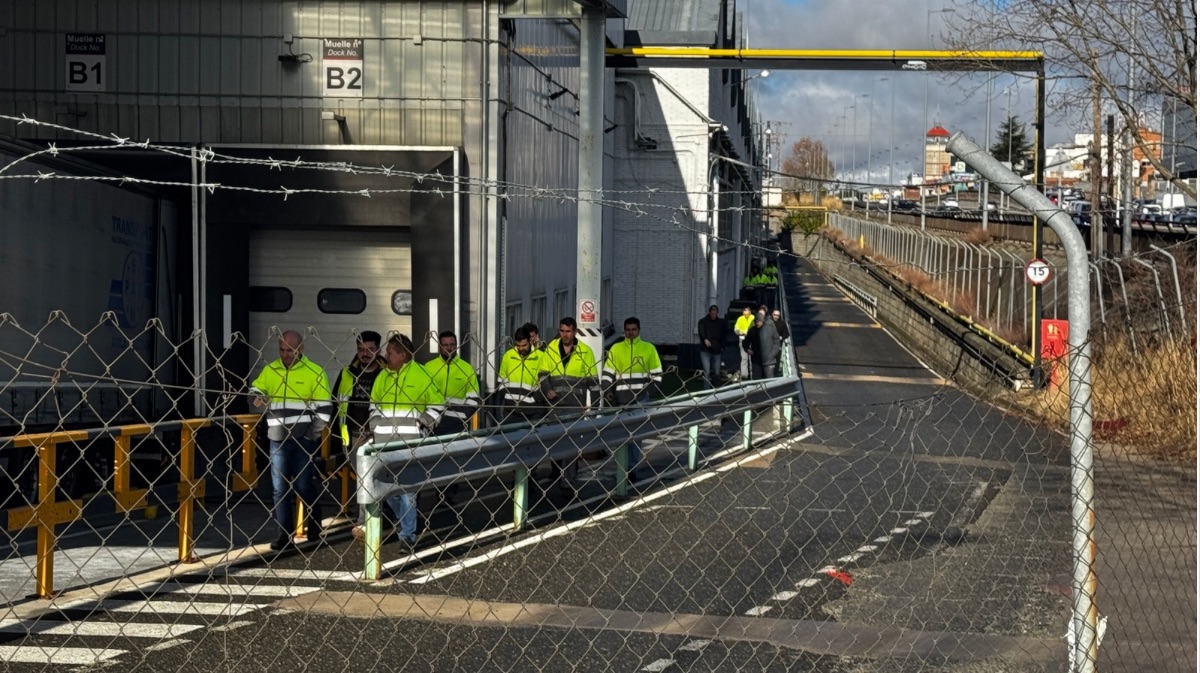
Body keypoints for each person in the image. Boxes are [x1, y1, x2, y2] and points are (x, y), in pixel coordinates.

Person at [249, 330, 333, 552]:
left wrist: (310, 435)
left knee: (303, 485)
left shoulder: (315, 372)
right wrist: (258, 395)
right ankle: (283, 535)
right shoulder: (271, 369)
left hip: (303, 440)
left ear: (301, 349)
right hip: (278, 439)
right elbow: (257, 387)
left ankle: (313, 519)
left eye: (290, 351)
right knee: (279, 489)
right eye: (282, 350)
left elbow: (324, 409)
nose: (286, 355)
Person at [367, 334, 445, 548]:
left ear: (402, 355)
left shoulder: (421, 375)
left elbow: (438, 404)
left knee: (408, 491)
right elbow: (374, 404)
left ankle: (407, 536)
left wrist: (423, 424)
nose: (386, 356)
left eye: (390, 353)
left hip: (410, 443)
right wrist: (375, 427)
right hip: (384, 443)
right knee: (388, 490)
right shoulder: (383, 376)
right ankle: (406, 522)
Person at [331, 330, 383, 522]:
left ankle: (366, 520)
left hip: (377, 435)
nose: (365, 354)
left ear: (378, 350)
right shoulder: (347, 373)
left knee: (371, 477)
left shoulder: (386, 374)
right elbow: (336, 402)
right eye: (361, 349)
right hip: (352, 436)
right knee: (363, 477)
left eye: (370, 349)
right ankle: (369, 517)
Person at [602, 317, 663, 476]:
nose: (630, 333)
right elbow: (608, 373)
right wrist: (607, 390)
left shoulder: (648, 349)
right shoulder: (616, 349)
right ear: (624, 330)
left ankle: (631, 468)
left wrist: (648, 392)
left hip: (640, 400)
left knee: (635, 437)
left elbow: (657, 375)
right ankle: (623, 466)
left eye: (633, 330)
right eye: (628, 330)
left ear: (639, 330)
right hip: (621, 400)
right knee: (622, 436)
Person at [423, 331, 481, 435]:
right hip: (432, 422)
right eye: (445, 345)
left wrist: (462, 416)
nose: (449, 348)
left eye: (452, 344)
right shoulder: (429, 367)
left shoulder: (466, 368)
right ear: (440, 347)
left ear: (456, 345)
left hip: (457, 424)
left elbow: (474, 398)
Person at [539, 317, 598, 413]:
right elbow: (542, 373)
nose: (564, 335)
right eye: (562, 331)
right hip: (554, 405)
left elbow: (593, 383)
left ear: (575, 332)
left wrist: (594, 410)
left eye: (568, 331)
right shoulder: (551, 348)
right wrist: (547, 389)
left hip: (576, 406)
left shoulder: (585, 351)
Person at [496, 325, 545, 422]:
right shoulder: (508, 356)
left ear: (530, 341)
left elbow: (544, 383)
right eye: (518, 345)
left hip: (532, 412)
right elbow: (502, 380)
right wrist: (507, 398)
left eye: (524, 345)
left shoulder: (540, 357)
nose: (521, 348)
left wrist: (533, 400)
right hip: (510, 411)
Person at [696, 305, 728, 387]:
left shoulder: (721, 323)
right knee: (707, 371)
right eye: (712, 314)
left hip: (717, 350)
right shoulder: (703, 322)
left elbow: (723, 335)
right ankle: (707, 390)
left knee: (716, 372)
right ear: (709, 313)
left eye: (715, 314)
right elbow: (701, 332)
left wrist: (722, 346)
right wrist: (705, 339)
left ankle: (716, 389)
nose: (714, 315)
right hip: (705, 350)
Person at [743, 312, 781, 380]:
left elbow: (777, 341)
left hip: (769, 361)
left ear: (762, 321)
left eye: (758, 321)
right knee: (757, 382)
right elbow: (745, 343)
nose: (757, 323)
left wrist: (773, 354)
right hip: (756, 360)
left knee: (770, 382)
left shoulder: (770, 329)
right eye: (755, 321)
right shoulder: (752, 331)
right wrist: (748, 349)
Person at [733, 306, 755, 382]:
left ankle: (752, 375)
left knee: (751, 358)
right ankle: (745, 375)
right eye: (745, 314)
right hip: (742, 338)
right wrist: (739, 332)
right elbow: (736, 329)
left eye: (747, 314)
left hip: (751, 339)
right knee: (744, 358)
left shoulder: (753, 318)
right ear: (743, 313)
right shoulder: (740, 319)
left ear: (750, 313)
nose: (746, 315)